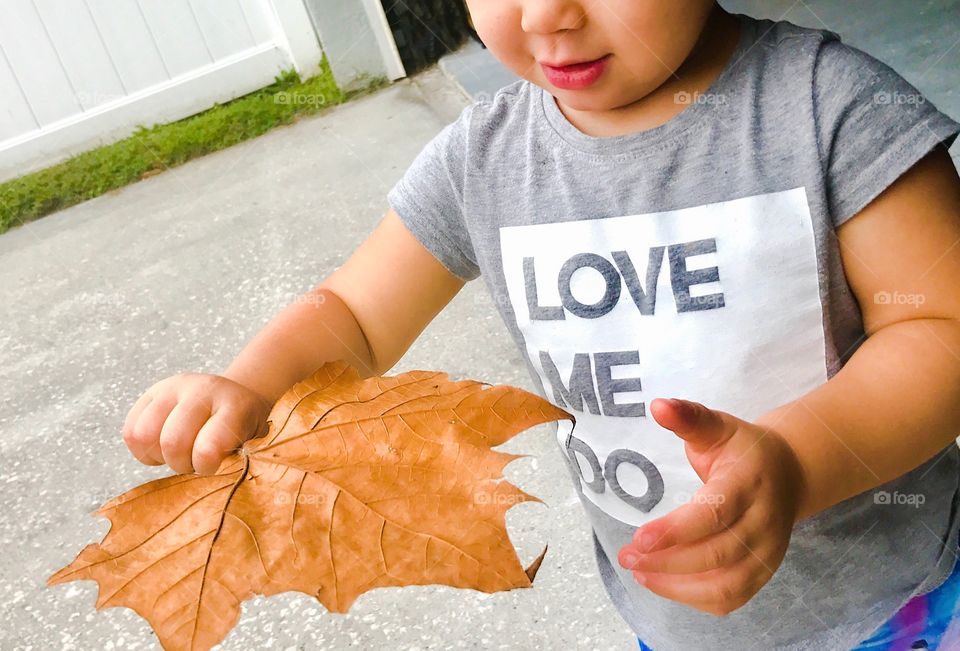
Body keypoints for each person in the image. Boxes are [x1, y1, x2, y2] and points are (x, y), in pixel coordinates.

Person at [121, 1, 960, 648]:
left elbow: (938, 326)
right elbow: (354, 314)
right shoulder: (482, 161)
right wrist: (249, 382)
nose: (546, 16)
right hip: (671, 616)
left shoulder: (829, 108)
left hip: (895, 603)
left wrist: (798, 461)